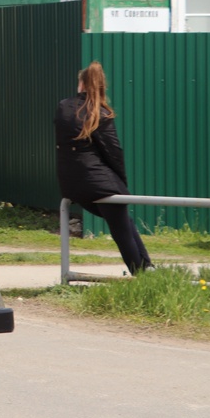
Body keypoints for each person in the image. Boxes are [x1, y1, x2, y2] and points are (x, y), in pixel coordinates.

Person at [55, 61, 154, 275]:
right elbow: (113, 152)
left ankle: (148, 268)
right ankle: (143, 274)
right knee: (122, 231)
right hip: (98, 183)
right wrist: (120, 184)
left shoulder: (63, 107)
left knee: (123, 221)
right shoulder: (100, 113)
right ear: (100, 87)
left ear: (81, 84)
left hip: (70, 184)